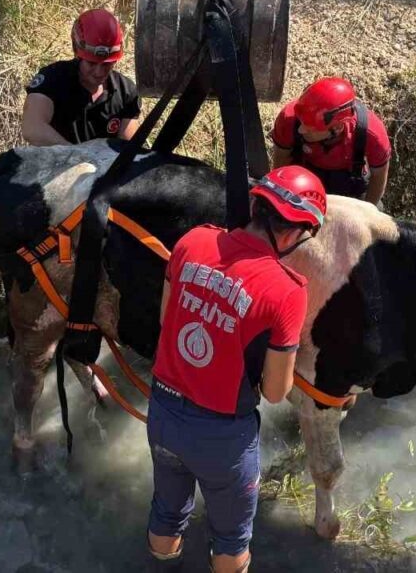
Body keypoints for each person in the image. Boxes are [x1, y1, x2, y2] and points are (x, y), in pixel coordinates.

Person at [146, 166, 325, 572]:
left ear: (257, 206)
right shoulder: (287, 291)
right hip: (222, 437)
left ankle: (161, 565)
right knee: (230, 538)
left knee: (167, 512)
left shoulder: (193, 240)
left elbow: (165, 319)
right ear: (293, 233)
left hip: (163, 412)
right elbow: (275, 392)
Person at [21, 9, 141, 145]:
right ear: (77, 54)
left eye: (107, 64)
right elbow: (32, 128)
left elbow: (128, 147)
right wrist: (75, 154)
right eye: (91, 63)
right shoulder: (53, 78)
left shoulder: (126, 92)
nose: (99, 72)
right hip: (59, 157)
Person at [270, 77, 391, 204]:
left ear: (337, 128)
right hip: (305, 174)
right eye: (301, 122)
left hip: (350, 182)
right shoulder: (289, 120)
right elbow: (280, 164)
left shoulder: (372, 135)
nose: (300, 130)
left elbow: (378, 178)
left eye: (310, 128)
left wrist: (368, 208)